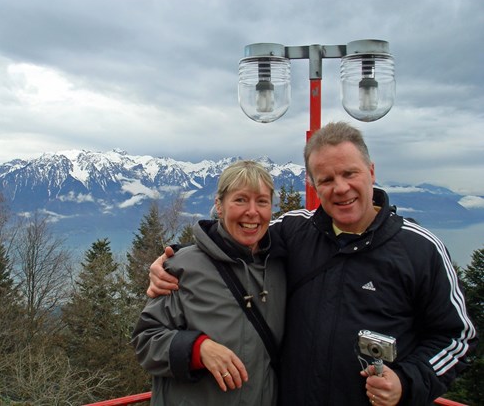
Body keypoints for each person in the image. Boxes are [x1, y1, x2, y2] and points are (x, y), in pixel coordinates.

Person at [147, 122, 477, 406]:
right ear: (313, 185)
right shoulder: (294, 231)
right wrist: (173, 259)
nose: (341, 188)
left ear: (372, 172)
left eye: (350, 173)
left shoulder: (419, 248)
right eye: (327, 179)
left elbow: (457, 338)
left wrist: (405, 382)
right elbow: (232, 240)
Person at [131, 160, 286, 405]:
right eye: (240, 200)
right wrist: (197, 349)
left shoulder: (281, 266)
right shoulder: (183, 267)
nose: (252, 212)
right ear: (219, 206)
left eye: (262, 201)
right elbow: (146, 340)